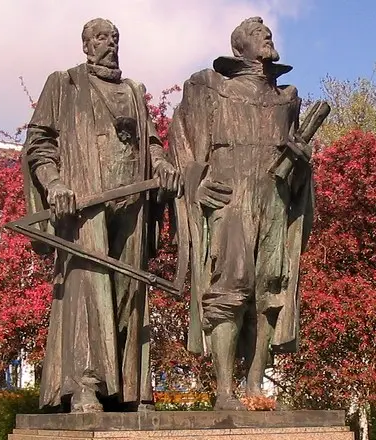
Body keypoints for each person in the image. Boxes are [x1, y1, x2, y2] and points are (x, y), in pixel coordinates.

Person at [21, 17, 181, 413]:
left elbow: (153, 142)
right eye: (100, 37)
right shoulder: (66, 83)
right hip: (86, 203)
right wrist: (54, 184)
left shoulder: (133, 89)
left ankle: (132, 390)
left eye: (114, 38)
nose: (109, 43)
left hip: (134, 200)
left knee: (132, 291)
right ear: (86, 45)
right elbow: (39, 144)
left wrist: (159, 164)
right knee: (88, 288)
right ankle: (85, 386)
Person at [169, 16, 314, 410]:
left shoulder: (288, 99)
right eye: (255, 34)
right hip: (230, 198)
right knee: (229, 289)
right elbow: (181, 140)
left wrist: (302, 164)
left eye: (266, 33)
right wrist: (195, 183)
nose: (266, 36)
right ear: (239, 48)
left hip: (274, 199)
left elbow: (298, 168)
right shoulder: (209, 88)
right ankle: (223, 391)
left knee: (271, 289)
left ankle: (254, 386)